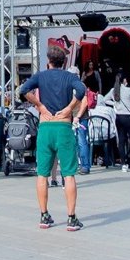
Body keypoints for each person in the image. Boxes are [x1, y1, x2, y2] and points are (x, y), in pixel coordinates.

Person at [19, 45, 86, 232]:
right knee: (69, 174)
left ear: (48, 61)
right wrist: (69, 107)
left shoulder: (41, 76)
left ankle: (44, 215)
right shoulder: (70, 77)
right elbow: (81, 90)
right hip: (63, 126)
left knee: (42, 174)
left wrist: (40, 106)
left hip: (45, 126)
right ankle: (71, 218)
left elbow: (24, 90)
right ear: (63, 62)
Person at [102, 74, 130, 167]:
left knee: (121, 141)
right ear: (125, 80)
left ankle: (123, 164)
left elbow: (104, 99)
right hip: (129, 117)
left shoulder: (113, 90)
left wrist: (114, 104)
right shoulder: (129, 90)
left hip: (119, 117)